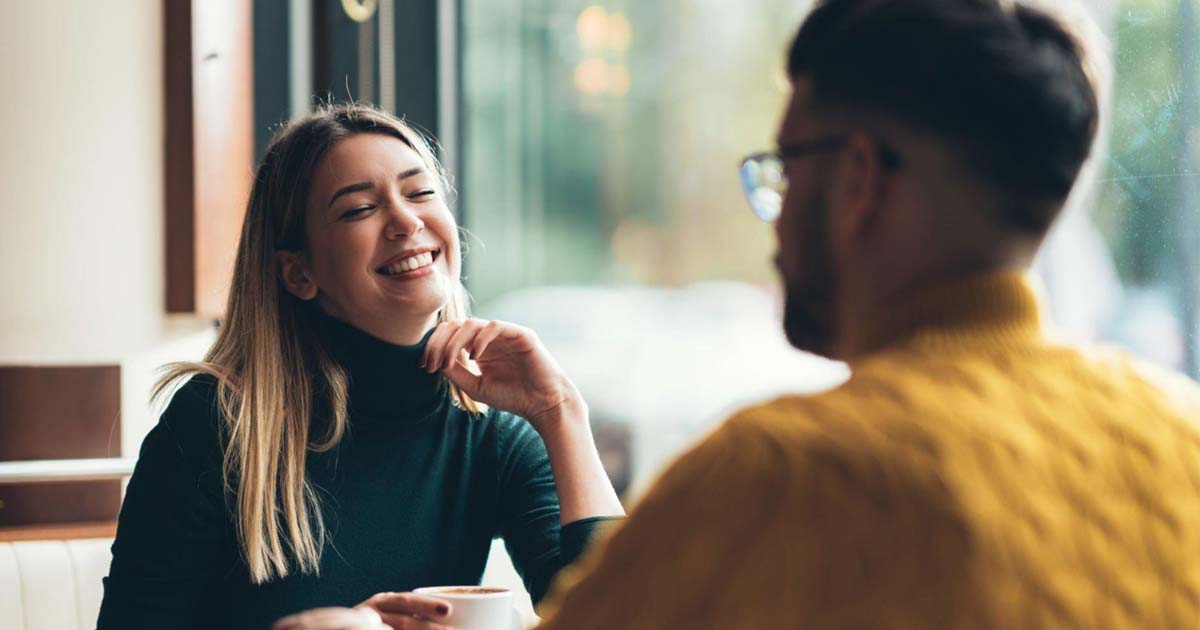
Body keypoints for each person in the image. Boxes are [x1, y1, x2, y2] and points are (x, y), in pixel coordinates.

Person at [530, 1, 1200, 628]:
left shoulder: (784, 472)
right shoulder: (1184, 432)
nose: (779, 212)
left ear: (859, 180)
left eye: (785, 169)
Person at [97, 103, 624, 630]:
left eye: (420, 193)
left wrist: (560, 409)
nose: (406, 220)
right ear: (299, 273)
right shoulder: (215, 422)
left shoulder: (491, 433)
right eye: (358, 210)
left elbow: (621, 617)